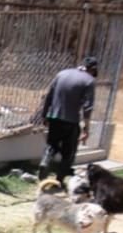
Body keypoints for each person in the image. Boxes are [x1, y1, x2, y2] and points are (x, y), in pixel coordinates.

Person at [37, 56, 98, 186]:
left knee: (52, 144)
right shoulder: (89, 81)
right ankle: (59, 179)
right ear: (93, 69)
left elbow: (49, 95)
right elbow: (88, 107)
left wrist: (44, 115)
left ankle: (45, 162)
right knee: (68, 151)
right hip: (71, 120)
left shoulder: (62, 73)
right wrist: (86, 128)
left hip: (54, 116)